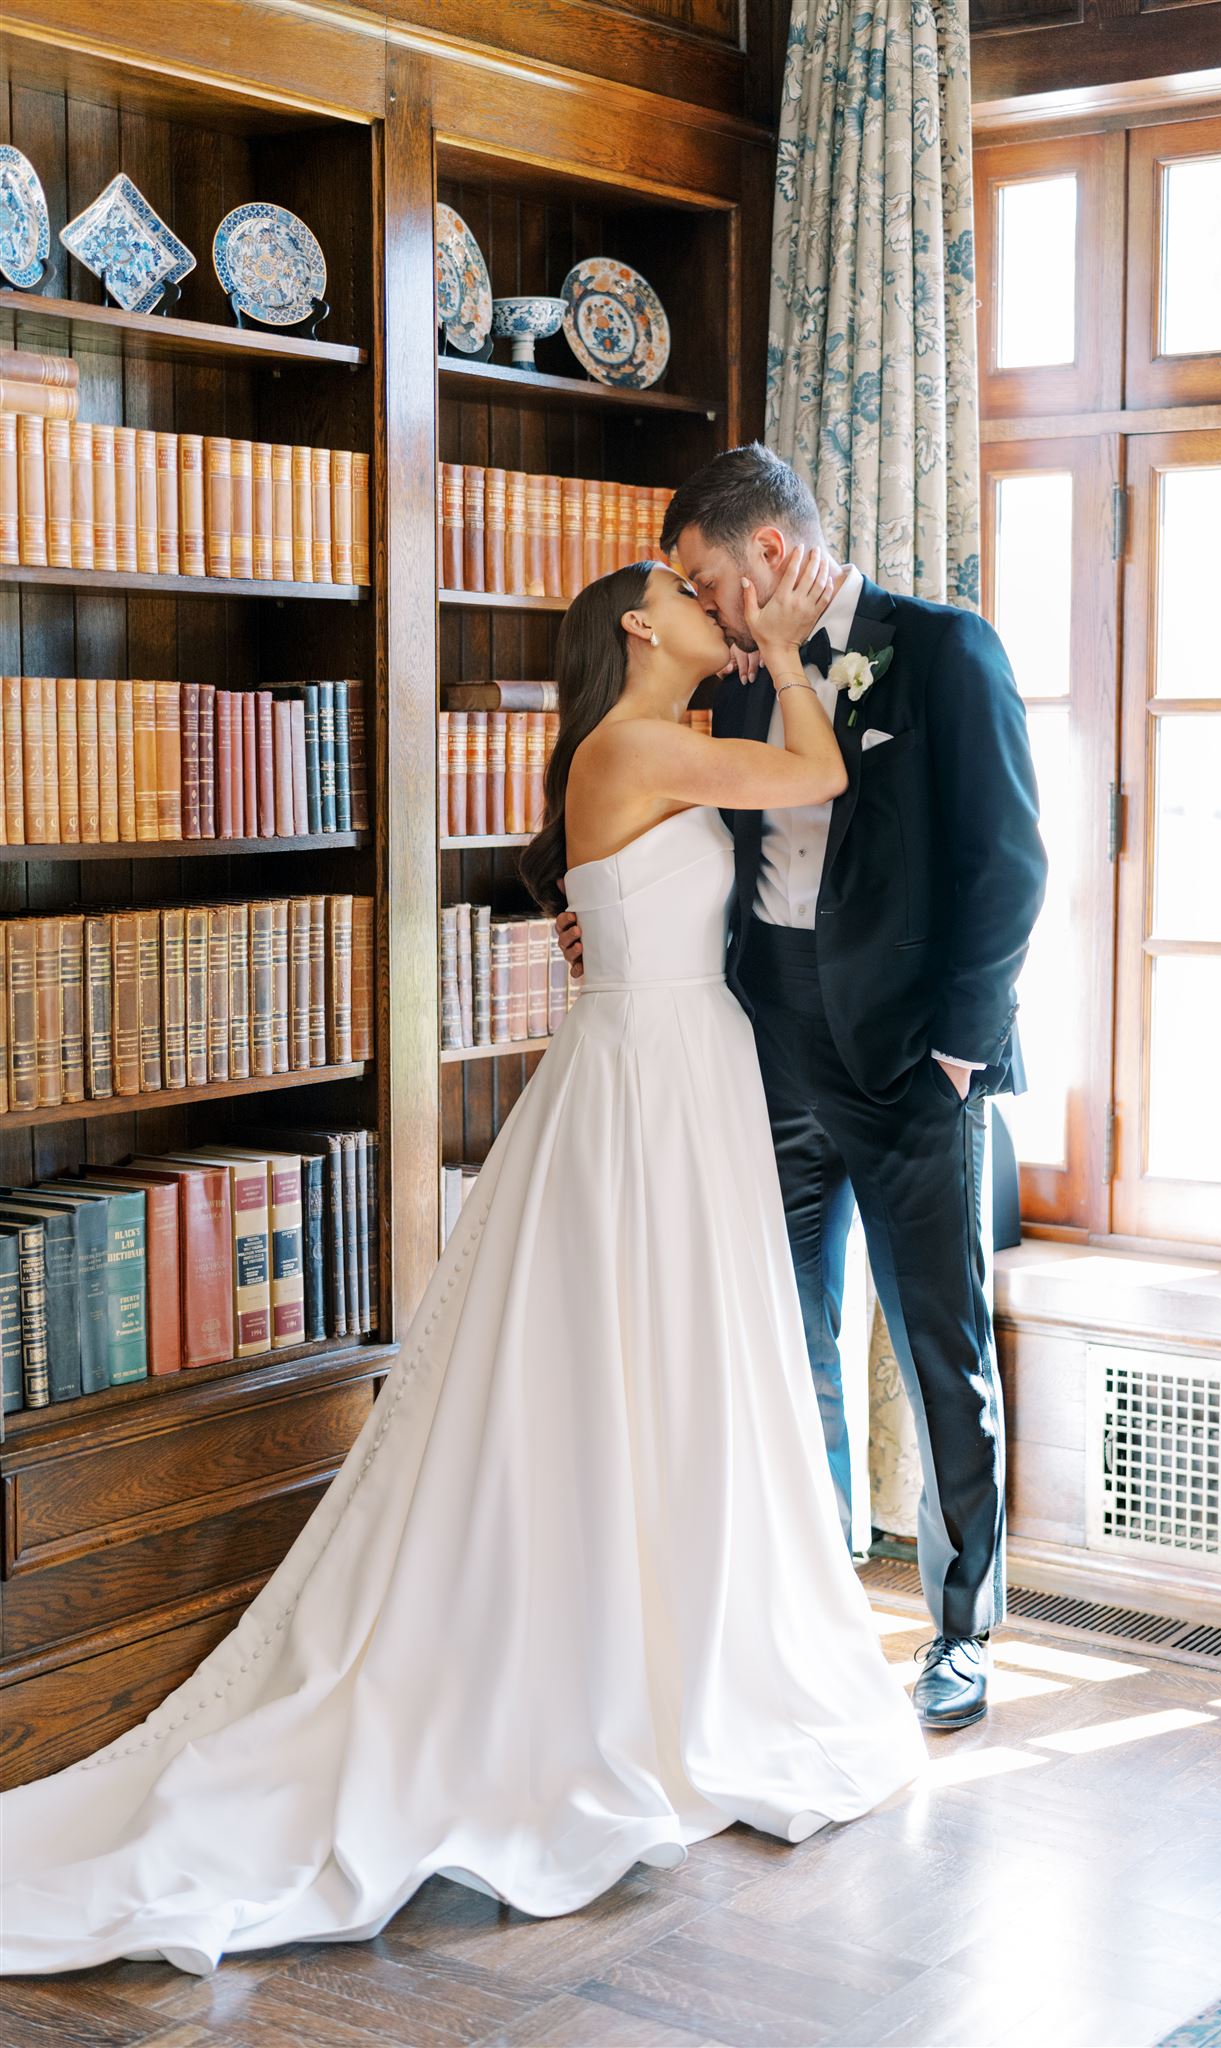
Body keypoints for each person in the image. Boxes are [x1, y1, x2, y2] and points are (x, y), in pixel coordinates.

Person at [0, 549, 926, 1980]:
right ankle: (608, 1665)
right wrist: (797, 651)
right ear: (639, 627)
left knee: (678, 1355)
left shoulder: (663, 744)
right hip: (642, 1083)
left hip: (676, 1069)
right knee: (628, 1353)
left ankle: (677, 1635)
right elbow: (816, 779)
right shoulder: (634, 744)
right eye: (694, 596)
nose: (716, 610)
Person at [558, 445, 1048, 1733]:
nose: (705, 608)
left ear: (766, 558)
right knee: (788, 1345)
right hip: (757, 1053)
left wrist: (961, 1047)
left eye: (707, 580)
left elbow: (1010, 867)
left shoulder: (941, 650)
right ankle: (816, 1609)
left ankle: (961, 1630)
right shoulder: (719, 690)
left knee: (939, 1343)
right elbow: (651, 829)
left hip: (906, 1065)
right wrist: (598, 921)